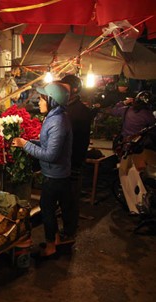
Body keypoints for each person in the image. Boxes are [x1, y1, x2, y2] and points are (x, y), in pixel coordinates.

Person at [12, 81, 73, 258]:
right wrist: (31, 142)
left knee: (47, 210)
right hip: (56, 173)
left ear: (52, 101)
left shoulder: (58, 122)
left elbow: (50, 155)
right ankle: (54, 240)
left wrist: (25, 145)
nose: (38, 102)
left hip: (55, 176)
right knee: (50, 210)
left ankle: (51, 247)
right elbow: (48, 146)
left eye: (41, 99)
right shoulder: (55, 117)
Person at [112, 90, 156, 215]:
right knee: (137, 175)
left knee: (126, 174)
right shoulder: (148, 115)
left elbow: (114, 110)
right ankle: (139, 203)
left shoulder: (126, 110)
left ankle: (134, 203)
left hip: (126, 147)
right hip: (140, 149)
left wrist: (124, 102)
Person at [61, 74, 95, 229]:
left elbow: (74, 138)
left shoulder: (79, 111)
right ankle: (67, 229)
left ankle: (69, 233)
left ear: (74, 89)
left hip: (73, 161)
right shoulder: (67, 108)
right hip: (68, 161)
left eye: (65, 86)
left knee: (71, 199)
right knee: (66, 198)